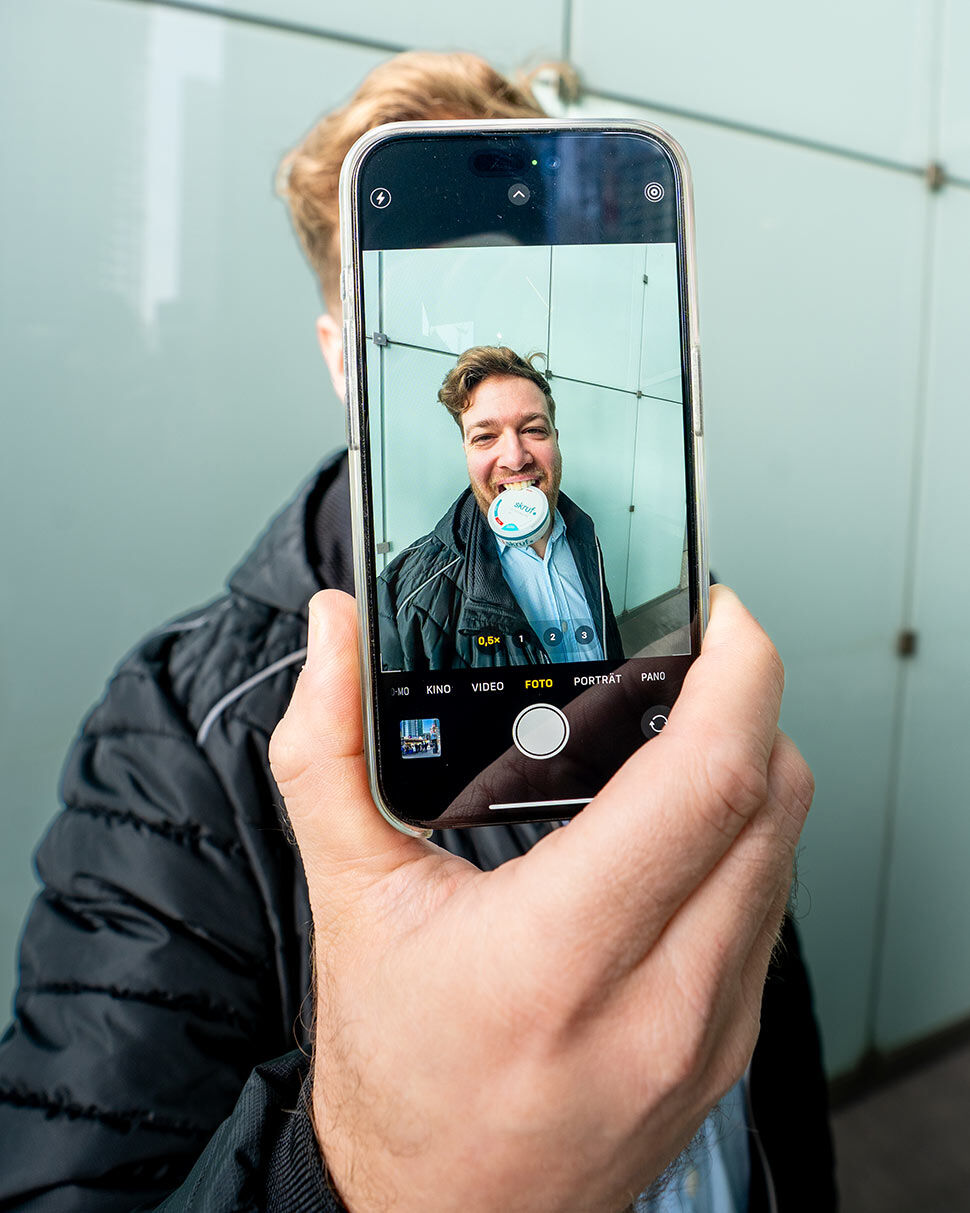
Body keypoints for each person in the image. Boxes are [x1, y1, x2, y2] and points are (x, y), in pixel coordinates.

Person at [0, 52, 837, 1211]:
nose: (511, 451)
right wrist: (364, 1174)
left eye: (509, 307)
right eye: (430, 314)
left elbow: (756, 1025)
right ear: (344, 358)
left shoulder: (654, 603)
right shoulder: (180, 732)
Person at [378, 346, 623, 672]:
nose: (515, 458)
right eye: (485, 437)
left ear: (555, 439)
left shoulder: (583, 531)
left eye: (533, 430)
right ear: (466, 450)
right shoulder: (403, 595)